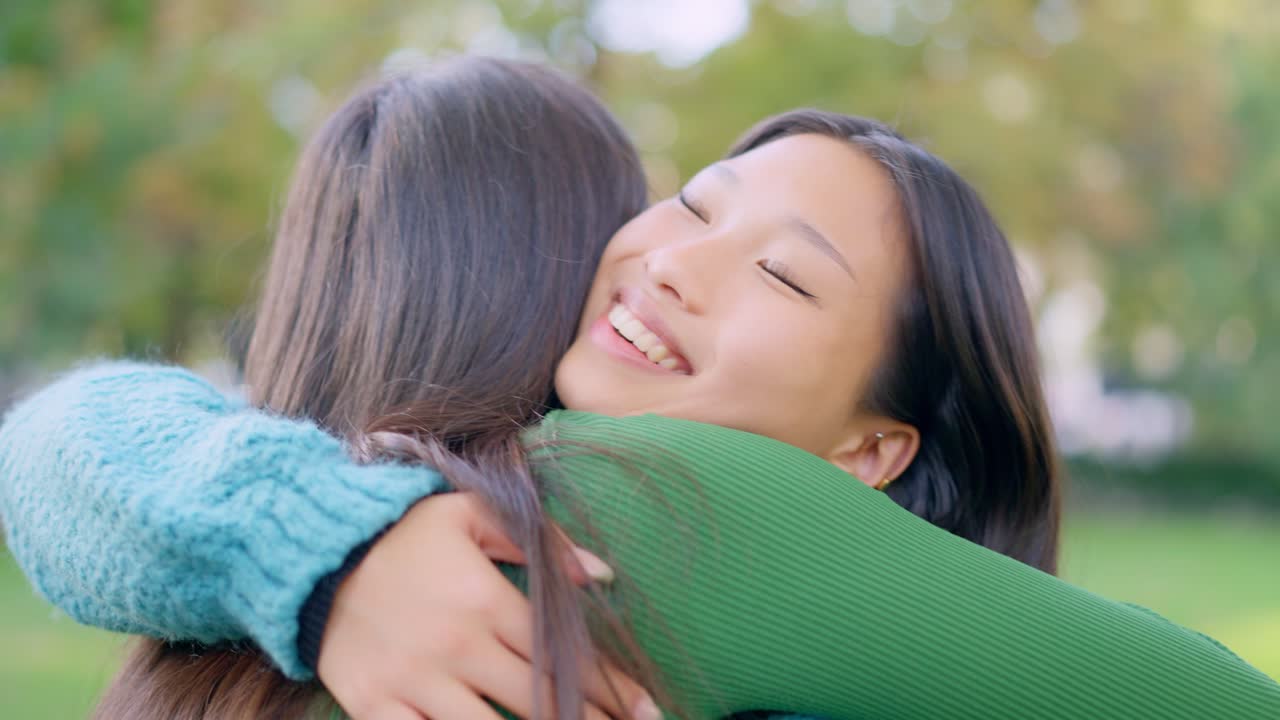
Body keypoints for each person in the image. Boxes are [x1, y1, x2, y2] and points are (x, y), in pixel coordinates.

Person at [2, 56, 1278, 720]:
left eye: (782, 278)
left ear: (869, 450)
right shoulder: (639, 508)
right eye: (686, 204)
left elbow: (56, 439)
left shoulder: (230, 582)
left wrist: (311, 544)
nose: (674, 265)